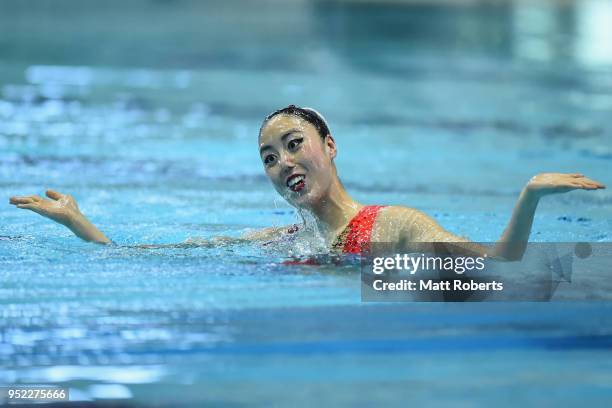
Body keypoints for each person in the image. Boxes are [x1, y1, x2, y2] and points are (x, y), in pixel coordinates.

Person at [9, 105, 606, 260]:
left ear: (330, 147)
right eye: (269, 158)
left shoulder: (396, 225)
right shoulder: (284, 239)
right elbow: (152, 256)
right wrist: (81, 225)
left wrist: (529, 195)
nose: (284, 164)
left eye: (295, 146)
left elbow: (499, 264)